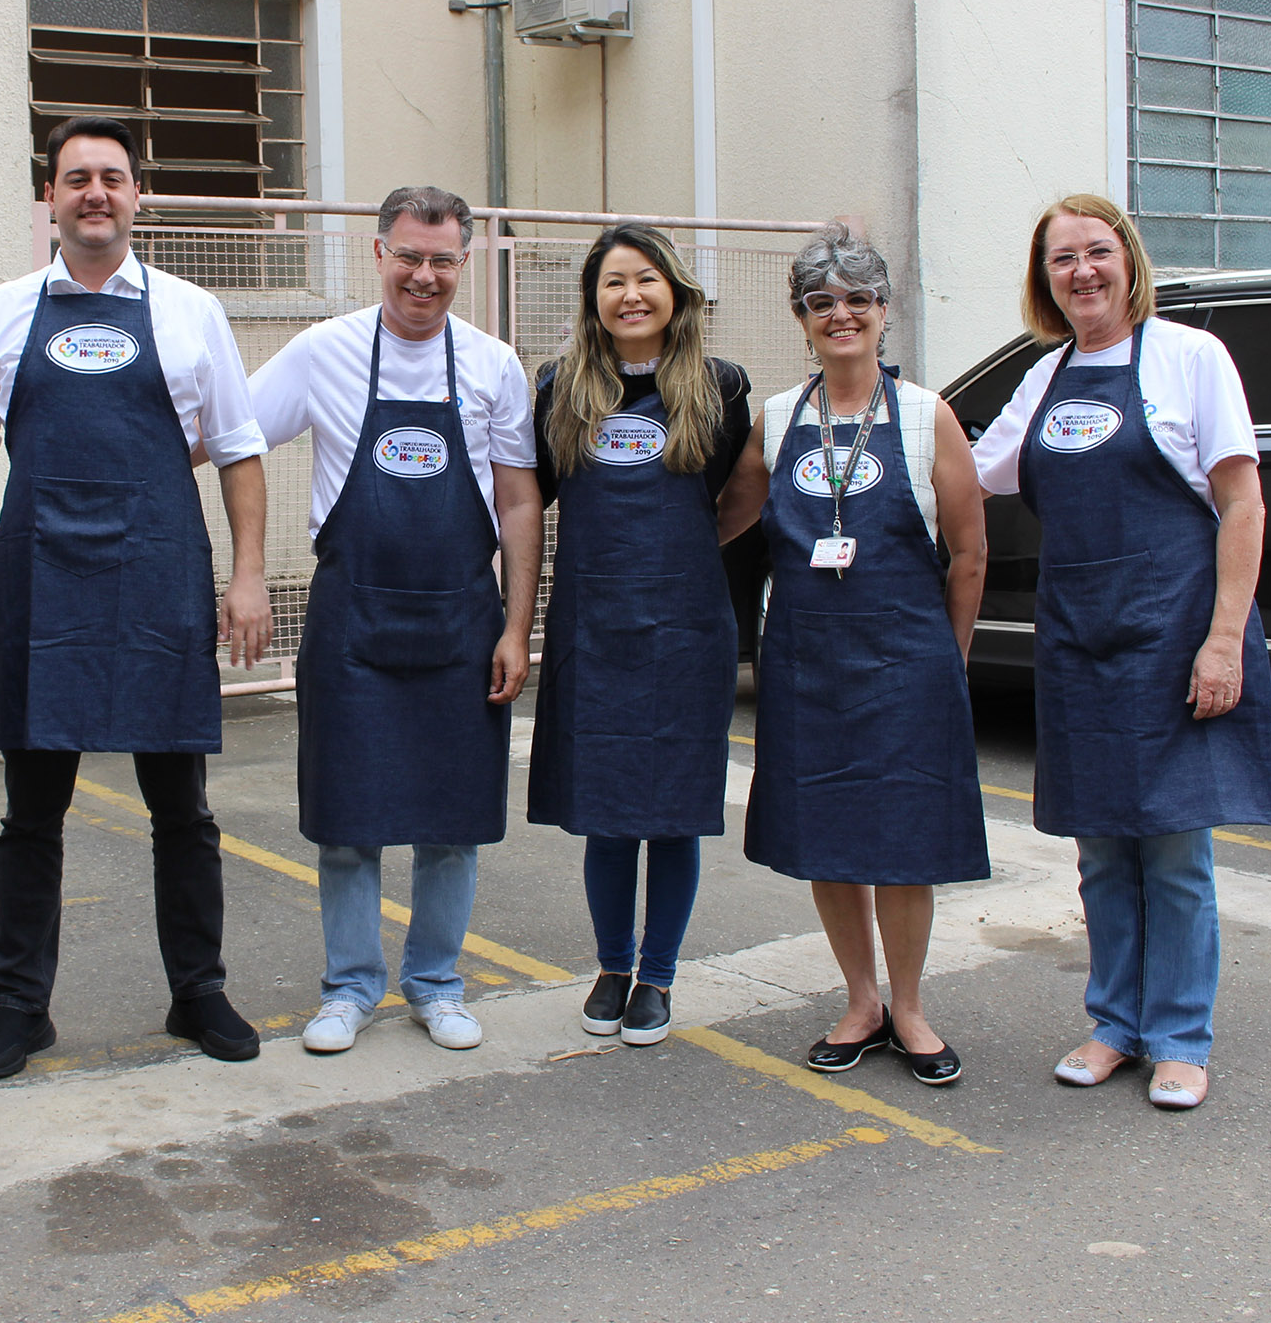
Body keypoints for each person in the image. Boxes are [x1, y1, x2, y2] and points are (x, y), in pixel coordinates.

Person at [0, 116, 273, 1078]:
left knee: (185, 811)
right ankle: (20, 1007)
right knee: (31, 815)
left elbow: (240, 452)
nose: (95, 192)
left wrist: (247, 577)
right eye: (76, 177)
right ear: (48, 197)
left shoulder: (191, 310)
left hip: (160, 581)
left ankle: (198, 991)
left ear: (138, 197)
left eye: (112, 178)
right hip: (43, 585)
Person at [971, 193, 1271, 1111]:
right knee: (1101, 849)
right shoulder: (1046, 375)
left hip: (1176, 633)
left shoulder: (1190, 358)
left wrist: (1223, 640)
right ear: (1044, 279)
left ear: (1128, 260)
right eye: (1062, 260)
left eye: (1096, 253)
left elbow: (1243, 505)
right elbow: (973, 472)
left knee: (1175, 849)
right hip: (1081, 641)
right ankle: (1114, 1024)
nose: (1082, 273)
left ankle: (1181, 1035)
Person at [250, 185, 543, 1054]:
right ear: (379, 254)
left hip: (462, 621)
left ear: (464, 263)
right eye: (409, 255)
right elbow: (225, 434)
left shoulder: (494, 364)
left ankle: (437, 984)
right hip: (352, 625)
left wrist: (517, 628)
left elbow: (521, 504)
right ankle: (349, 989)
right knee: (349, 824)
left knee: (451, 826)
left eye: (443, 259)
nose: (425, 275)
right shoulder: (322, 352)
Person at [717, 224, 990, 1084]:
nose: (842, 316)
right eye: (822, 304)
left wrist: (948, 657)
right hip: (806, 666)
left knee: (904, 840)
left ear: (884, 312)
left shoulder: (924, 414)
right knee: (829, 838)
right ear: (801, 318)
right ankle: (859, 999)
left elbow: (971, 550)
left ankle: (909, 1007)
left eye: (858, 301)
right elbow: (728, 519)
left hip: (908, 664)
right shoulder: (775, 418)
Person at [528, 223, 751, 1047]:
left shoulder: (721, 387)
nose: (631, 295)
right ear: (593, 299)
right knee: (609, 809)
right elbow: (532, 497)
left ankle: (658, 975)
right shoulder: (560, 388)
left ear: (676, 290)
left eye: (647, 278)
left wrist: (676, 556)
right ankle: (612, 965)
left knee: (675, 811)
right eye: (614, 280)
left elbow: (737, 499)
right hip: (594, 627)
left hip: (686, 628)